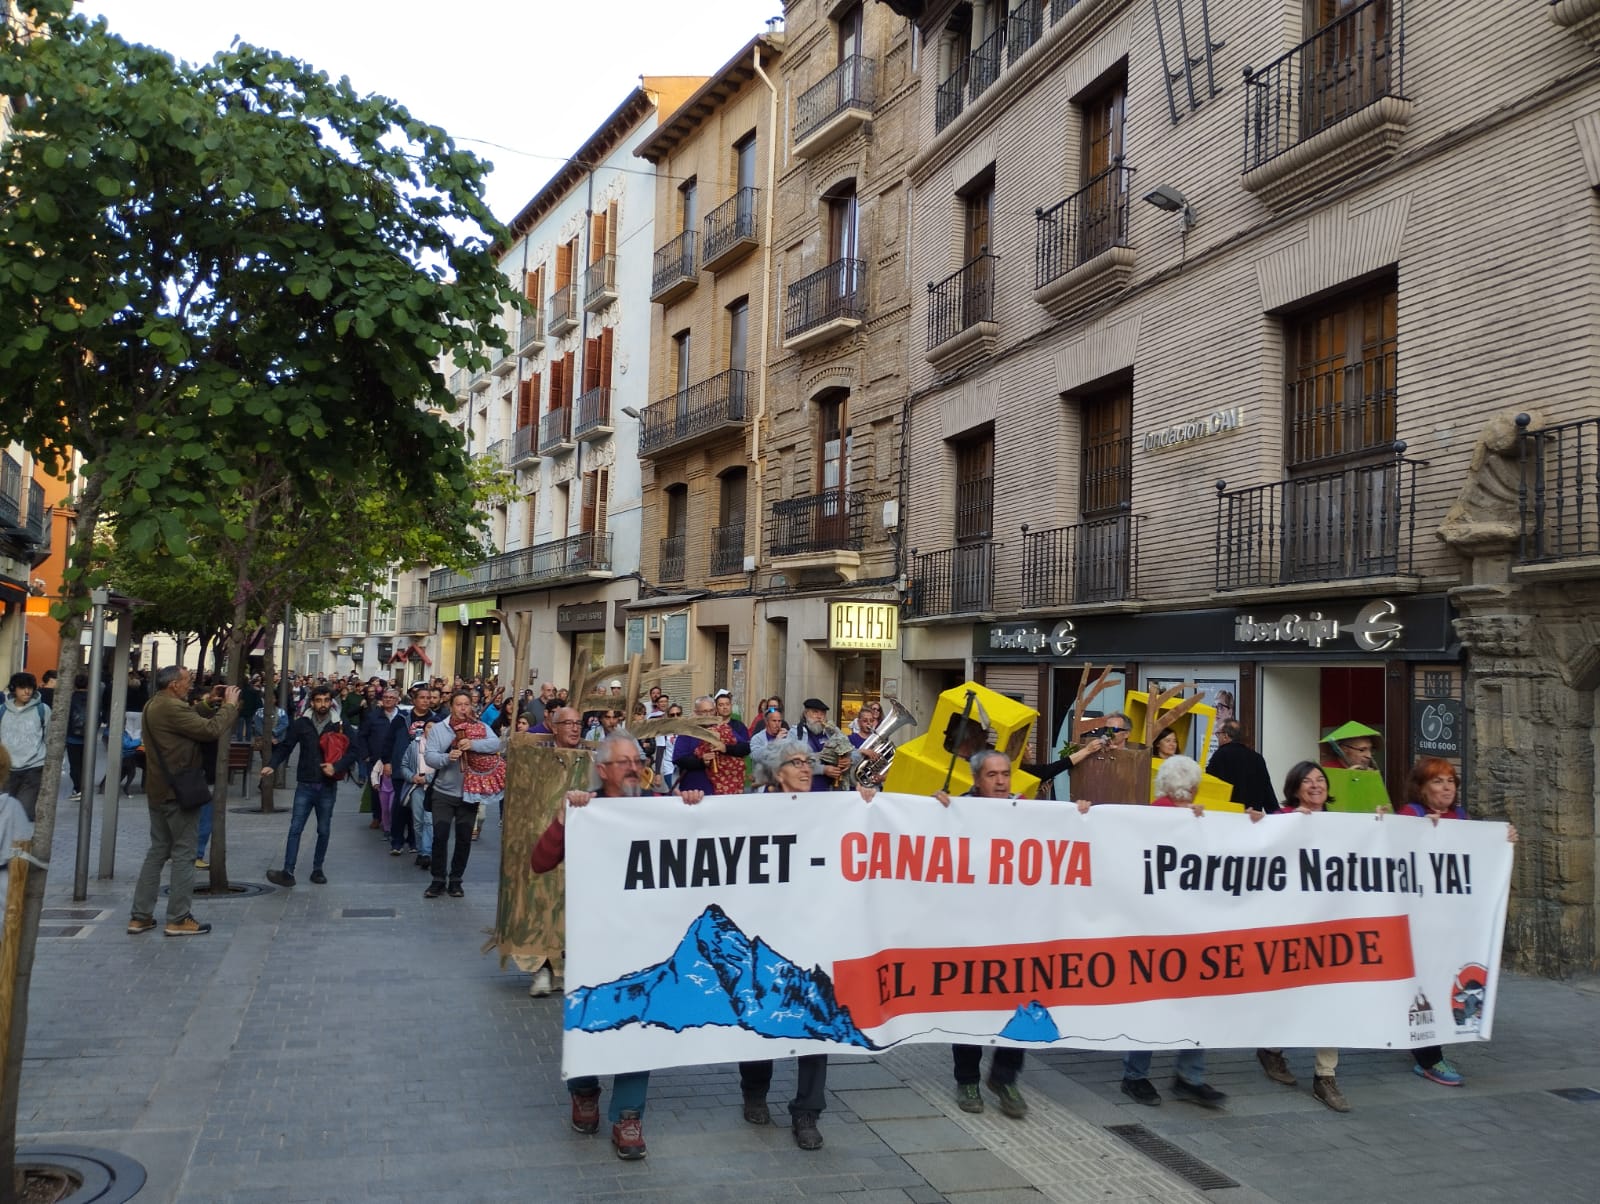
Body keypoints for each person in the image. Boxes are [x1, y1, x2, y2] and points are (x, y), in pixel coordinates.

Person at [530, 733, 704, 1159]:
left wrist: (698, 805)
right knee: (590, 1016)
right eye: (622, 761)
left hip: (648, 938)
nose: (632, 766)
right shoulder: (585, 809)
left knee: (639, 1024)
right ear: (602, 769)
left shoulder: (661, 807)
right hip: (594, 939)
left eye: (637, 759)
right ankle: (584, 1089)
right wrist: (563, 818)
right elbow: (540, 862)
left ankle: (628, 1116)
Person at [737, 738, 861, 1149]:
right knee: (761, 1016)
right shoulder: (748, 810)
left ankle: (808, 1111)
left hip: (813, 932)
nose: (807, 768)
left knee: (816, 1020)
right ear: (774, 772)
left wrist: (869, 803)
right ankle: (754, 1088)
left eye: (809, 761)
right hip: (765, 932)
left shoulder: (828, 806)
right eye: (796, 762)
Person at [1396, 757, 1517, 1087]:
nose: (1447, 787)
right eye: (1437, 781)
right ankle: (1429, 1059)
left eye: (1451, 781)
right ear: (1421, 788)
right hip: (1420, 923)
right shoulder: (1410, 816)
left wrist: (1500, 842)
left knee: (1439, 980)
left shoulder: (1461, 819)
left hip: (1450, 923)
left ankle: (1420, 1042)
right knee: (1426, 983)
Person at [1119, 756, 1228, 1109]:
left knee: (1155, 1002)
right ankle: (1187, 1076)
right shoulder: (1192, 820)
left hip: (1158, 928)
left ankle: (1138, 1076)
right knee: (1192, 1003)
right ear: (1192, 787)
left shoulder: (1161, 817)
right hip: (1186, 929)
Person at [932, 749, 1032, 1119]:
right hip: (968, 926)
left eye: (1006, 774)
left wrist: (1081, 813)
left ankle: (1005, 1077)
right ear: (976, 780)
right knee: (969, 1001)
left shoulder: (1027, 810)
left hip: (1014, 926)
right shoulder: (955, 809)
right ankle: (967, 1078)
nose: (1002, 781)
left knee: (1020, 1001)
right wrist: (934, 809)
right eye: (993, 775)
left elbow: (1066, 830)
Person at [1253, 762, 1351, 1112]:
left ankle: (1325, 1076)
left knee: (1329, 999)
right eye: (1307, 781)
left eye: (1320, 780)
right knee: (1291, 995)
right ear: (1295, 788)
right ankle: (1272, 1048)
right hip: (1291, 925)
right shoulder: (1280, 820)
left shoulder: (1344, 824)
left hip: (1329, 928)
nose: (1315, 785)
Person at [129, 667, 239, 937]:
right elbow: (210, 729)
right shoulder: (171, 708)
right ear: (174, 685)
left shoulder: (155, 704)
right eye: (188, 681)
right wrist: (229, 707)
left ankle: (140, 916)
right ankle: (178, 917)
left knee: (157, 852)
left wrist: (206, 703)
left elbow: (184, 721)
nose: (191, 685)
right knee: (184, 854)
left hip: (159, 790)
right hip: (178, 792)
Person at [262, 684, 356, 888]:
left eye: (326, 700)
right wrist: (272, 765)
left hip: (327, 786)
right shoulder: (302, 723)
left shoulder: (339, 723)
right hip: (305, 784)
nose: (323, 704)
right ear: (312, 702)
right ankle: (288, 871)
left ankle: (317, 869)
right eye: (319, 700)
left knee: (323, 829)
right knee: (296, 828)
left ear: (331, 702)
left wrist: (336, 766)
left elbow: (354, 750)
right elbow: (287, 746)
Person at [422, 689, 504, 899]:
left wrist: (474, 744)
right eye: (459, 704)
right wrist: (447, 757)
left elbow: (496, 743)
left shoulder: (479, 726)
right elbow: (430, 757)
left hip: (469, 793)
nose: (463, 708)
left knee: (464, 838)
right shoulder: (440, 729)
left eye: (466, 704)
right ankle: (437, 879)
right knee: (440, 836)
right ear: (451, 706)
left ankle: (456, 880)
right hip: (443, 791)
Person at [0, 672, 50, 821]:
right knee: (4, 813)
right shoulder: (2, 711)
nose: (27, 692)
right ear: (14, 689)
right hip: (6, 770)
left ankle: (20, 844)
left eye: (30, 688)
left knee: (25, 814)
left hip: (33, 768)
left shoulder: (42, 710)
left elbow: (50, 738)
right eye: (22, 688)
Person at [1206, 720, 1277, 813]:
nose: (1217, 737)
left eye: (1218, 734)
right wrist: (1276, 815)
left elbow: (1211, 787)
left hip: (1228, 816)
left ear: (1225, 736)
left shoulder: (1220, 755)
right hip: (1253, 819)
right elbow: (1268, 793)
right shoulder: (1257, 758)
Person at [798, 698, 852, 792]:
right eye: (815, 712)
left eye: (823, 713)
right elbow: (795, 763)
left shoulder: (831, 731)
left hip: (830, 789)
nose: (819, 717)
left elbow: (850, 748)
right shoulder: (797, 733)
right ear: (806, 714)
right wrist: (823, 769)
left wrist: (848, 760)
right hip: (806, 790)